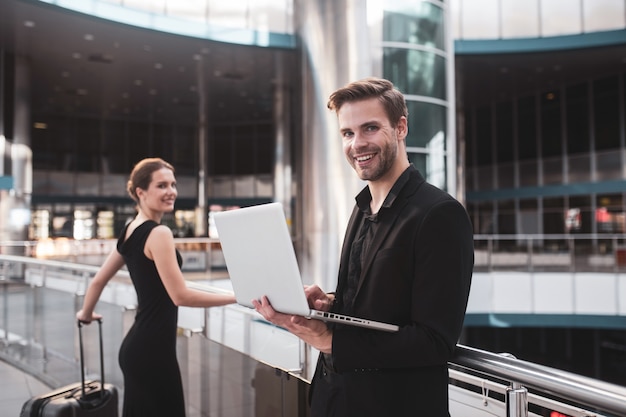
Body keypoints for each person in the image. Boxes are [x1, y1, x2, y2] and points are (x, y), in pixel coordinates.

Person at [253, 78, 474, 417]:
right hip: (333, 399)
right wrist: (329, 304)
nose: (357, 144)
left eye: (370, 128)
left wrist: (329, 341)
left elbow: (434, 342)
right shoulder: (361, 206)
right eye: (347, 133)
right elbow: (376, 303)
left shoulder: (440, 214)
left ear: (400, 127)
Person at [76, 157, 236, 417]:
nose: (171, 191)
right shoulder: (158, 234)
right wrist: (235, 297)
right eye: (161, 185)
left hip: (138, 350)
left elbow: (98, 280)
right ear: (141, 192)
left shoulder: (130, 229)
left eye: (173, 184)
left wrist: (85, 314)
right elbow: (180, 295)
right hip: (154, 353)